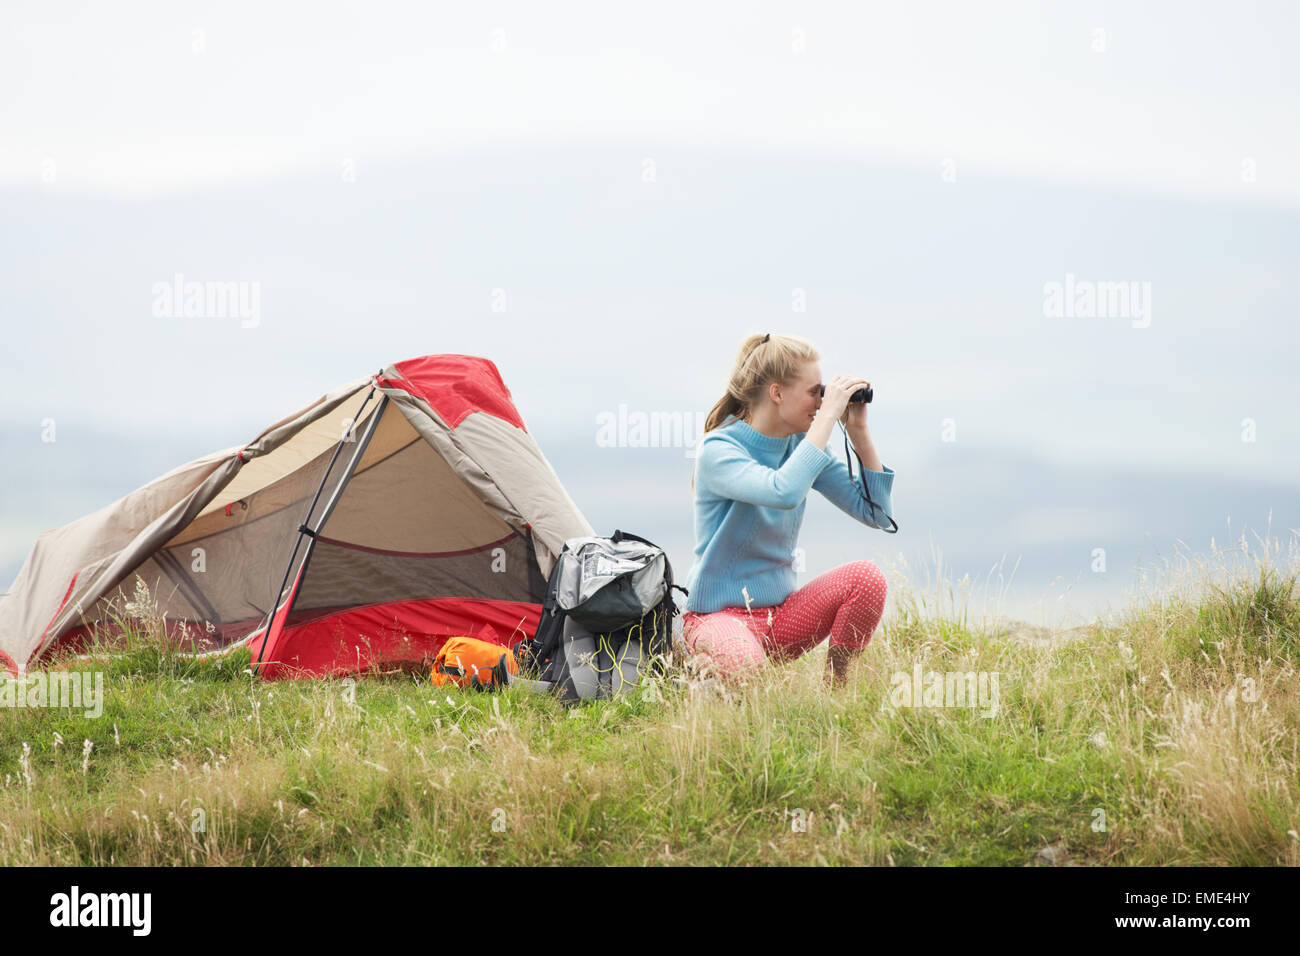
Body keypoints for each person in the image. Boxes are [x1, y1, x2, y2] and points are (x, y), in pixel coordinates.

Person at [682, 332, 896, 689]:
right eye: (815, 392)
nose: (822, 401)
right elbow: (783, 491)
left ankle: (837, 690)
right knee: (743, 668)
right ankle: (699, 674)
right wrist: (827, 419)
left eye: (823, 392)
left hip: (780, 620)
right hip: (716, 617)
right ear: (777, 393)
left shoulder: (801, 445)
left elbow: (876, 513)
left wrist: (858, 431)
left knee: (867, 579)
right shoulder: (719, 450)